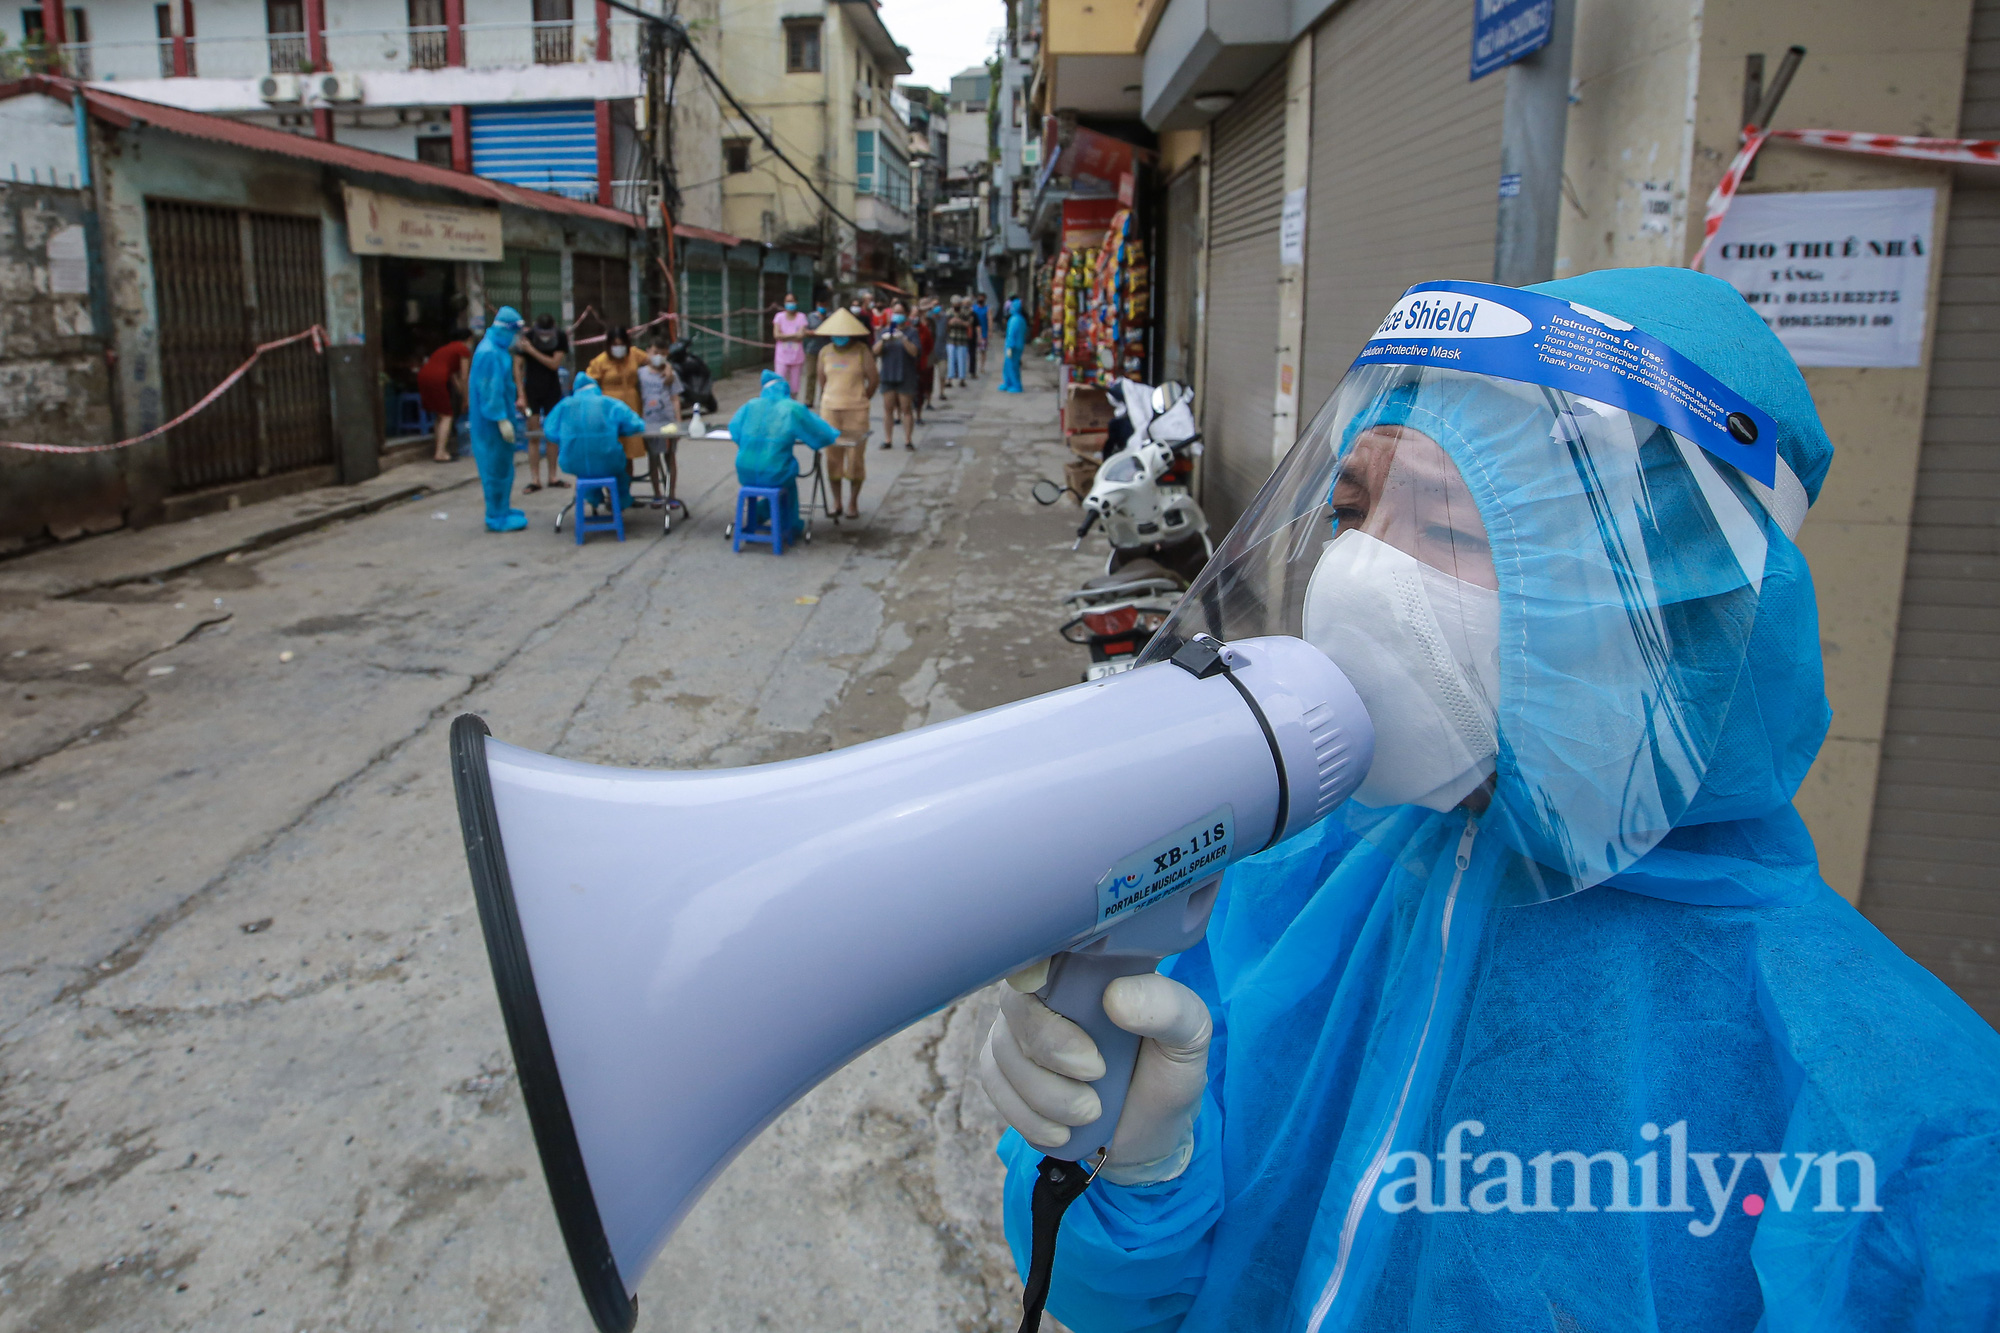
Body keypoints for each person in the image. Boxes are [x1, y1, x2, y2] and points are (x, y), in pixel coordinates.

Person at [978, 266, 2000, 1331]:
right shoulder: (1287, 877)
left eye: (1458, 535)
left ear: (1663, 608)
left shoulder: (1897, 1119)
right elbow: (1130, 1300)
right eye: (1352, 513)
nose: (1358, 582)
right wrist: (1135, 1173)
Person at [730, 369, 840, 543]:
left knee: (778, 474)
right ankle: (789, 526)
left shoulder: (750, 405)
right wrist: (834, 433)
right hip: (775, 472)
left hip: (745, 471)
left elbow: (735, 432)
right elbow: (820, 433)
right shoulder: (791, 408)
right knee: (786, 480)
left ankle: (757, 514)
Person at [544, 373, 647, 514]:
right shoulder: (609, 403)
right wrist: (617, 429)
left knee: (585, 473)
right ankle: (620, 502)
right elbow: (636, 425)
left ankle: (593, 499)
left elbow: (549, 430)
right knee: (619, 475)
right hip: (608, 461)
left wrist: (567, 438)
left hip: (573, 463)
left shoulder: (564, 405)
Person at [466, 308, 529, 531]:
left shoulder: (499, 350)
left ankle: (503, 508)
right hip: (490, 423)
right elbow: (489, 391)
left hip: (501, 417)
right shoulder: (489, 353)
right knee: (494, 468)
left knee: (504, 466)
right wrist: (501, 419)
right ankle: (495, 516)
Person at [812, 308, 877, 519]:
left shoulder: (862, 351)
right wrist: (829, 398)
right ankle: (837, 502)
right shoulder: (825, 352)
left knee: (855, 459)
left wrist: (862, 398)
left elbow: (874, 380)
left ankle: (853, 503)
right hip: (830, 411)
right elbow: (823, 381)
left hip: (856, 412)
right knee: (832, 458)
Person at [514, 313, 569, 493]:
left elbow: (554, 364)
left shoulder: (560, 337)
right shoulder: (527, 338)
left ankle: (552, 476)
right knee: (534, 434)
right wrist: (521, 395)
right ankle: (535, 479)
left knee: (552, 434)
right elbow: (517, 367)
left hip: (552, 389)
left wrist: (532, 351)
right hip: (532, 390)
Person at [585, 326, 648, 467]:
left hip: (631, 406)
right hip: (608, 408)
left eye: (621, 344)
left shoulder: (634, 354)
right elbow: (588, 382)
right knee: (610, 449)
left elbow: (654, 362)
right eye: (615, 345)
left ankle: (626, 486)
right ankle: (611, 487)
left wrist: (667, 370)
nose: (618, 348)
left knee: (628, 451)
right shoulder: (600, 361)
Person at [637, 340, 682, 506]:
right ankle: (657, 494)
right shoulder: (640, 374)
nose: (659, 357)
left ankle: (671, 495)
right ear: (648, 350)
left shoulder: (671, 375)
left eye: (663, 354)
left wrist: (678, 422)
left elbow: (675, 399)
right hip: (649, 423)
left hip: (668, 422)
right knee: (653, 459)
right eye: (656, 352)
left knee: (670, 458)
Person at [417, 330, 472, 462]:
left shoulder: (446, 349)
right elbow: (464, 377)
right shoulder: (463, 350)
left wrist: (462, 396)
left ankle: (441, 449)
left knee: (440, 415)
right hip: (437, 378)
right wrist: (466, 399)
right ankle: (440, 453)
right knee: (447, 415)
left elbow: (454, 378)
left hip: (424, 376)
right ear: (469, 339)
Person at [874, 304, 922, 450]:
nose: (897, 315)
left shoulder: (912, 332)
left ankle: (908, 440)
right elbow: (875, 351)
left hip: (905, 375)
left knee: (906, 409)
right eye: (895, 312)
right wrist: (883, 340)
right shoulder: (884, 331)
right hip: (888, 375)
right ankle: (888, 439)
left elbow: (915, 352)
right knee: (888, 408)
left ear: (906, 315)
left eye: (900, 313)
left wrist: (903, 339)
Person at [772, 293, 810, 399]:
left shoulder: (801, 317)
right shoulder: (779, 317)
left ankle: (793, 406)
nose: (790, 304)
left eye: (792, 301)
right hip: (782, 357)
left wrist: (784, 336)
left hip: (797, 357)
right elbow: (776, 335)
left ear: (796, 303)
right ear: (784, 303)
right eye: (788, 301)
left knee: (794, 386)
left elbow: (801, 336)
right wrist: (794, 334)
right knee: (779, 383)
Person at [801, 300, 830, 408]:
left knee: (825, 375)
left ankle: (824, 399)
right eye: (820, 305)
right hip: (812, 350)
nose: (822, 307)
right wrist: (814, 332)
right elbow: (804, 331)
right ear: (817, 305)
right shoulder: (810, 317)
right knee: (811, 375)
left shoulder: (830, 317)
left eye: (825, 305)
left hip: (826, 351)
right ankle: (809, 400)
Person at [998, 296, 1026, 393]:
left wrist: (1009, 346)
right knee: (1009, 365)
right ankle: (1008, 383)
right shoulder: (1021, 319)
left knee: (1011, 366)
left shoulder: (1014, 320)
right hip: (1018, 345)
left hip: (1013, 347)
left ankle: (1015, 385)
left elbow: (1011, 334)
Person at [945, 297, 974, 388]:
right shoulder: (948, 312)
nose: (956, 305)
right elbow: (945, 323)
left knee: (962, 360)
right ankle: (949, 379)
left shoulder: (966, 312)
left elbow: (969, 323)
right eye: (955, 304)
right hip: (951, 339)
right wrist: (950, 323)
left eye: (958, 304)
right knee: (950, 360)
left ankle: (962, 379)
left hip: (962, 339)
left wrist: (959, 322)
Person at [971, 293, 990, 376]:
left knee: (983, 350)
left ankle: (982, 366)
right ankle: (974, 365)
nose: (980, 299)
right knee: (973, 351)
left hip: (983, 333)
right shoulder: (973, 308)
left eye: (982, 298)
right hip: (973, 332)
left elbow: (990, 320)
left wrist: (990, 331)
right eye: (979, 297)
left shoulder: (987, 309)